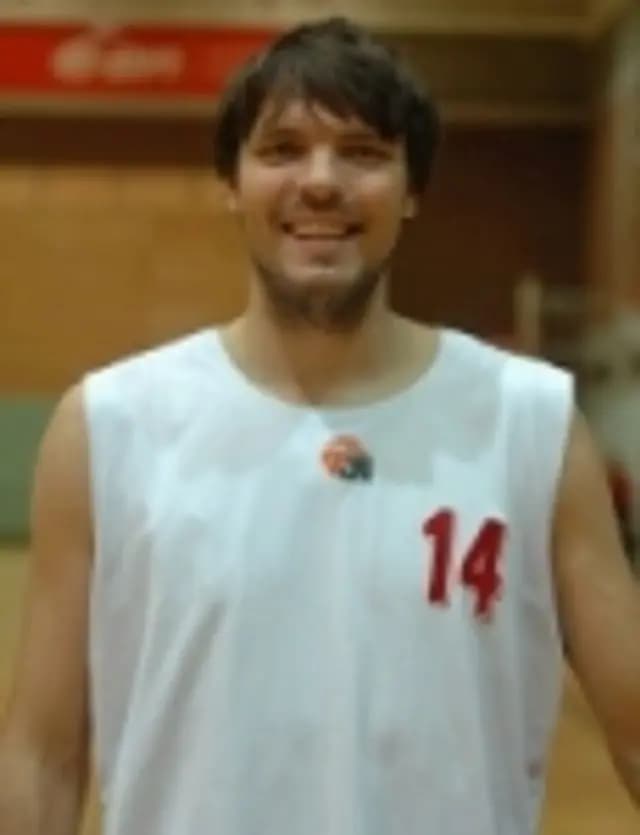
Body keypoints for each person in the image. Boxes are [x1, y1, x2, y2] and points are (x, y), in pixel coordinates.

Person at [1, 16, 639, 835]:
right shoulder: (109, 426)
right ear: (232, 182)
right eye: (282, 150)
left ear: (412, 190)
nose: (321, 182)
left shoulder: (532, 424)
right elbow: (42, 756)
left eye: (363, 153)